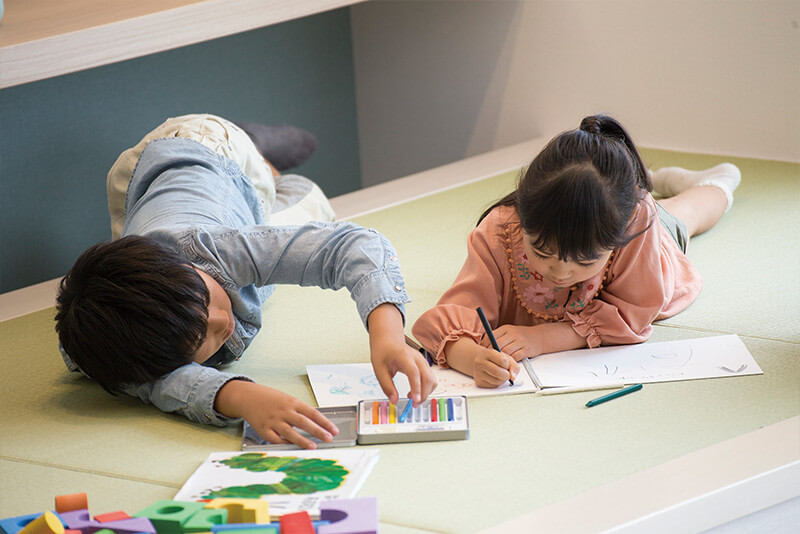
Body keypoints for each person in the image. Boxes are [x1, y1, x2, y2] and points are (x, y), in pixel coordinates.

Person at [55, 114, 436, 449]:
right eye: (197, 338)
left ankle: (259, 149)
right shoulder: (104, 353)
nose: (223, 322)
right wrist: (239, 395)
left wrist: (385, 334)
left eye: (204, 301)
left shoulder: (218, 251)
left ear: (186, 269)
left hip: (211, 146)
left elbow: (353, 245)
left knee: (312, 207)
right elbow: (152, 382)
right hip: (147, 197)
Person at [412, 114, 741, 388]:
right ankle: (648, 181)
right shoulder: (500, 228)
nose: (560, 272)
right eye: (542, 252)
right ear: (524, 210)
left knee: (686, 216)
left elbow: (632, 315)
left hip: (652, 235)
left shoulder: (636, 222)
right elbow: (454, 316)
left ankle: (718, 181)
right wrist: (470, 358)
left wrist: (543, 338)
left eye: (584, 260)